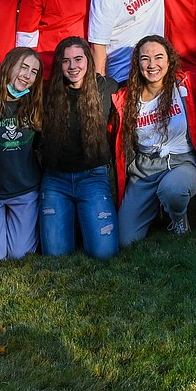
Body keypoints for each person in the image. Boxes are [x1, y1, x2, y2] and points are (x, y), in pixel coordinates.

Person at [113, 35, 196, 246]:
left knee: (173, 190)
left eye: (159, 57)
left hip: (182, 162)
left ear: (169, 60)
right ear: (137, 63)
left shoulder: (186, 84)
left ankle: (179, 219)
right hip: (145, 170)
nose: (152, 65)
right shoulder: (126, 98)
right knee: (125, 239)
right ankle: (159, 207)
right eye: (145, 58)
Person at [39, 37, 119, 259]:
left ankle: (84, 220)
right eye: (66, 61)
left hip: (92, 177)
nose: (73, 66)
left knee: (104, 252)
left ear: (88, 60)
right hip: (56, 180)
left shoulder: (105, 87)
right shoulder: (47, 93)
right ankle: (72, 221)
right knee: (56, 254)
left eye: (78, 59)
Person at [0, 48, 43, 261]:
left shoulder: (34, 104)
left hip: (24, 191)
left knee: (19, 254)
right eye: (24, 67)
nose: (27, 75)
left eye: (34, 72)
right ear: (9, 66)